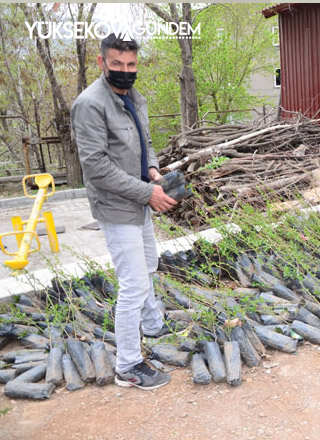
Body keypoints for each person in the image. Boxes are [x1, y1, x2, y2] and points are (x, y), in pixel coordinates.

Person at [71, 34, 177, 390]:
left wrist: (153, 170)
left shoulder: (134, 97)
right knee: (133, 284)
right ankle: (128, 365)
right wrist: (148, 193)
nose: (125, 71)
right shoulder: (90, 104)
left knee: (149, 263)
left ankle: (152, 325)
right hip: (117, 206)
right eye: (117, 64)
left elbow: (144, 143)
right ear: (102, 63)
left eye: (131, 65)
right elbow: (96, 166)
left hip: (139, 196)